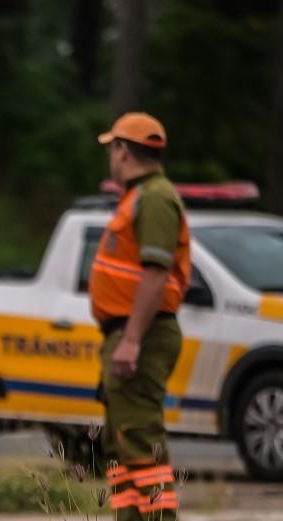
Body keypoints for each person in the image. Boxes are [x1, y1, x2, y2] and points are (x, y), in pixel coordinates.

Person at [89, 113, 189, 521]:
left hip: (141, 336)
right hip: (129, 333)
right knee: (122, 448)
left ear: (123, 151)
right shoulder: (138, 197)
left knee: (140, 444)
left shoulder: (155, 198)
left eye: (112, 147)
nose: (111, 157)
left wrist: (131, 339)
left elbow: (155, 271)